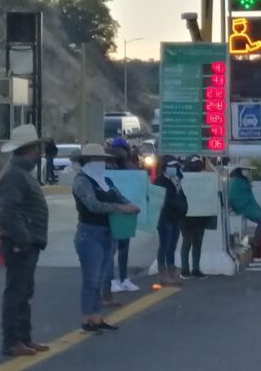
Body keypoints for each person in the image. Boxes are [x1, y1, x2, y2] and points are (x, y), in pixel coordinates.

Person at [0, 125, 50, 356]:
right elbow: (8, 211)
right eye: (38, 149)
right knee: (17, 292)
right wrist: (23, 238)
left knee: (24, 291)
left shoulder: (20, 173)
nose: (40, 154)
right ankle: (12, 340)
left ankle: (24, 337)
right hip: (20, 243)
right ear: (30, 150)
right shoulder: (15, 176)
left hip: (27, 242)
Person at [72, 144, 140, 333]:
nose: (101, 163)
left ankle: (96, 316)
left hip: (107, 231)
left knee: (100, 277)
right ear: (87, 161)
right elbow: (93, 205)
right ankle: (87, 318)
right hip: (89, 232)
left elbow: (119, 197)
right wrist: (119, 208)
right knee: (91, 278)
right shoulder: (81, 181)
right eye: (97, 159)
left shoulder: (105, 179)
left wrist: (130, 205)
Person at [106, 139, 141, 294]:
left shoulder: (131, 167)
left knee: (122, 248)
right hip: (112, 211)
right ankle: (112, 280)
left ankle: (123, 279)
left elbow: (139, 186)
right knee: (112, 249)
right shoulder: (106, 168)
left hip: (127, 211)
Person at [154, 156, 188, 285]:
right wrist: (178, 205)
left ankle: (171, 273)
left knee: (172, 246)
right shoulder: (159, 181)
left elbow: (182, 197)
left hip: (176, 218)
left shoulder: (176, 181)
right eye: (171, 166)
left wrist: (184, 207)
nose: (174, 169)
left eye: (176, 166)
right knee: (165, 245)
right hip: (164, 218)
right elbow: (164, 199)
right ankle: (162, 273)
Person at [180, 155, 209, 279]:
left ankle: (195, 269)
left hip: (200, 215)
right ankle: (185, 270)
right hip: (186, 216)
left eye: (198, 163)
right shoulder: (182, 178)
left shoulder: (203, 178)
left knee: (197, 244)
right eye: (194, 163)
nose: (197, 166)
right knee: (187, 242)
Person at [229, 160, 261, 256]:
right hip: (243, 207)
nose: (247, 171)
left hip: (245, 206)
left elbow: (251, 199)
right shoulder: (238, 182)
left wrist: (259, 209)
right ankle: (256, 243)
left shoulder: (240, 180)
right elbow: (248, 199)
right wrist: (258, 209)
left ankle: (256, 243)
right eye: (246, 169)